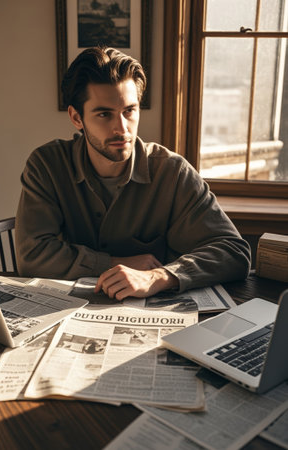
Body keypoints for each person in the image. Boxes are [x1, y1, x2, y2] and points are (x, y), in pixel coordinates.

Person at [15, 46, 251, 301]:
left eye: (129, 111)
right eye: (104, 114)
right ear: (76, 117)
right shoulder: (47, 165)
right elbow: (32, 257)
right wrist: (115, 263)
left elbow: (234, 253)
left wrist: (158, 276)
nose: (122, 128)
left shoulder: (172, 172)